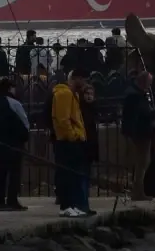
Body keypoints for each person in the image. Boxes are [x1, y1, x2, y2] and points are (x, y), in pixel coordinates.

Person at [51, 70, 89, 217]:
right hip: (66, 141)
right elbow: (63, 119)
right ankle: (65, 205)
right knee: (66, 174)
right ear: (75, 79)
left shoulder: (73, 95)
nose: (85, 83)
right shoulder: (64, 94)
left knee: (73, 175)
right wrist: (73, 136)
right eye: (83, 79)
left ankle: (72, 204)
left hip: (73, 140)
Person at [0, 79, 29, 212]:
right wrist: (24, 136)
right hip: (13, 143)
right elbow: (24, 122)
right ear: (9, 89)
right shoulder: (14, 103)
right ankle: (12, 200)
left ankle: (0, 200)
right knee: (14, 173)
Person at [121, 71, 155, 201]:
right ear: (143, 82)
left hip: (141, 132)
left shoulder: (136, 93)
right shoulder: (134, 95)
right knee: (142, 163)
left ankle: (139, 190)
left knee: (143, 163)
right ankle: (138, 192)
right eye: (149, 83)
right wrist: (154, 114)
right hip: (140, 133)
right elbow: (140, 113)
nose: (150, 86)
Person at [78, 84, 100, 215]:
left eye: (91, 94)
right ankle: (83, 205)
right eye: (87, 93)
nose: (89, 96)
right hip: (83, 145)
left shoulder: (93, 109)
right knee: (82, 176)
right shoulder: (82, 109)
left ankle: (85, 204)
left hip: (90, 146)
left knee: (86, 176)